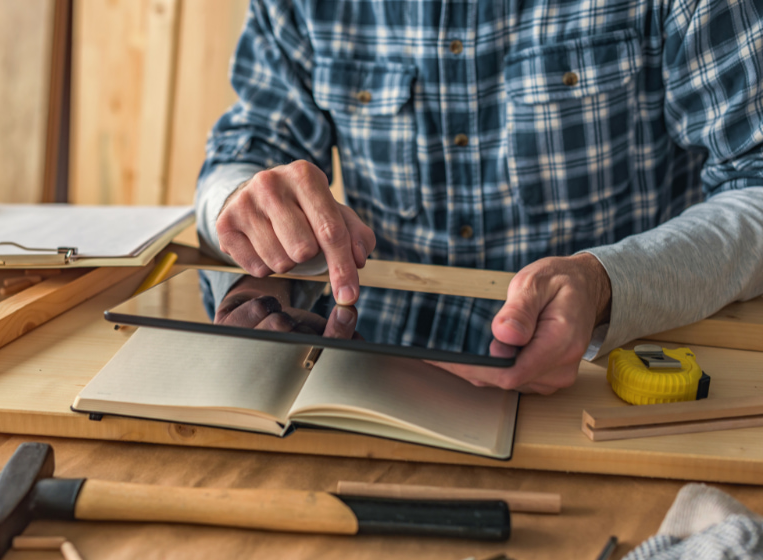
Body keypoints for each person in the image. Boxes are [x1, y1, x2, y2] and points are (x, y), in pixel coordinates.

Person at [195, 0, 763, 394]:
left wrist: (604, 284)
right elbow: (246, 153)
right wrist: (245, 216)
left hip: (606, 375)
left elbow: (754, 183)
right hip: (361, 370)